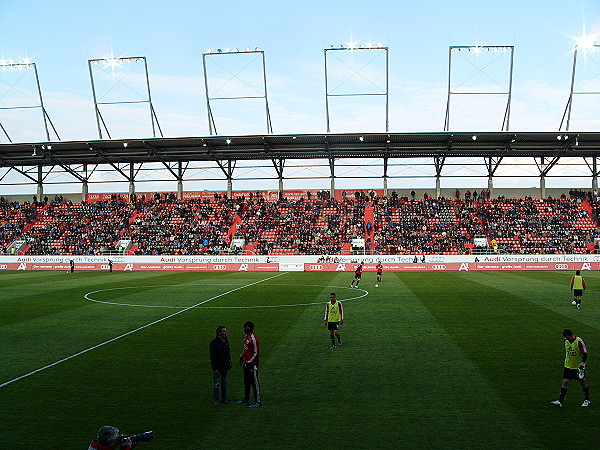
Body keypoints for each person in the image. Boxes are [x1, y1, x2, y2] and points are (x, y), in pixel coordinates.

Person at [551, 329, 590, 408]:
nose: (566, 338)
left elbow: (585, 353)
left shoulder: (579, 341)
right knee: (565, 382)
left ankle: (587, 400)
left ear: (570, 335)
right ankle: (560, 401)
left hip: (578, 367)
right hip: (568, 366)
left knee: (582, 383)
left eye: (567, 337)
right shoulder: (565, 341)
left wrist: (582, 362)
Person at [237, 321, 261, 408]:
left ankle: (258, 401)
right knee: (246, 382)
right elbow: (247, 349)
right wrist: (242, 355)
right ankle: (246, 398)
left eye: (245, 327)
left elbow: (256, 353)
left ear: (248, 328)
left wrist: (249, 362)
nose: (243, 329)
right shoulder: (247, 337)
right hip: (246, 363)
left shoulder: (253, 338)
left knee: (254, 383)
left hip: (252, 364)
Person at [210, 325, 232, 405]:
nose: (225, 333)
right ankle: (216, 399)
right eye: (224, 331)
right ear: (219, 333)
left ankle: (224, 398)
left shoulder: (225, 341)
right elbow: (212, 357)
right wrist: (214, 368)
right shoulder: (214, 343)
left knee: (224, 382)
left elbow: (228, 352)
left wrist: (229, 362)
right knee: (217, 383)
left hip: (225, 365)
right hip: (218, 366)